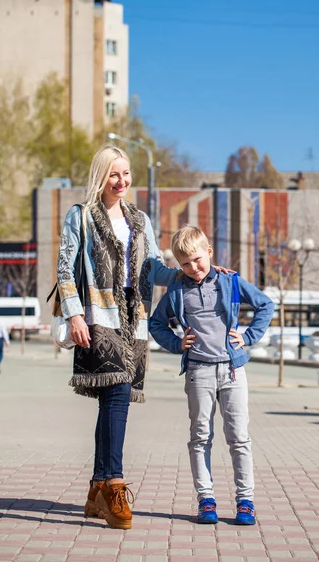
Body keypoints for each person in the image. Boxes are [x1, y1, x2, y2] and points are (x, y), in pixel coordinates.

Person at [56, 145, 229, 530]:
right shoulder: (81, 216)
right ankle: (115, 485)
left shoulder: (139, 219)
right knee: (116, 393)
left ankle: (97, 489)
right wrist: (74, 315)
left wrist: (194, 269)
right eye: (114, 174)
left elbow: (154, 270)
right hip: (97, 317)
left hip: (132, 321)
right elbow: (65, 270)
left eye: (127, 174)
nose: (122, 181)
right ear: (101, 176)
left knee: (112, 402)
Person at [149, 226, 274, 525]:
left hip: (232, 371)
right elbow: (156, 324)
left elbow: (266, 304)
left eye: (197, 259)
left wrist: (249, 336)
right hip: (199, 371)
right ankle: (206, 500)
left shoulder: (230, 281)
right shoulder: (177, 289)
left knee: (239, 438)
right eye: (185, 264)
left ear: (209, 252)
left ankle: (245, 502)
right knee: (200, 437)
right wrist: (177, 344)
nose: (193, 268)